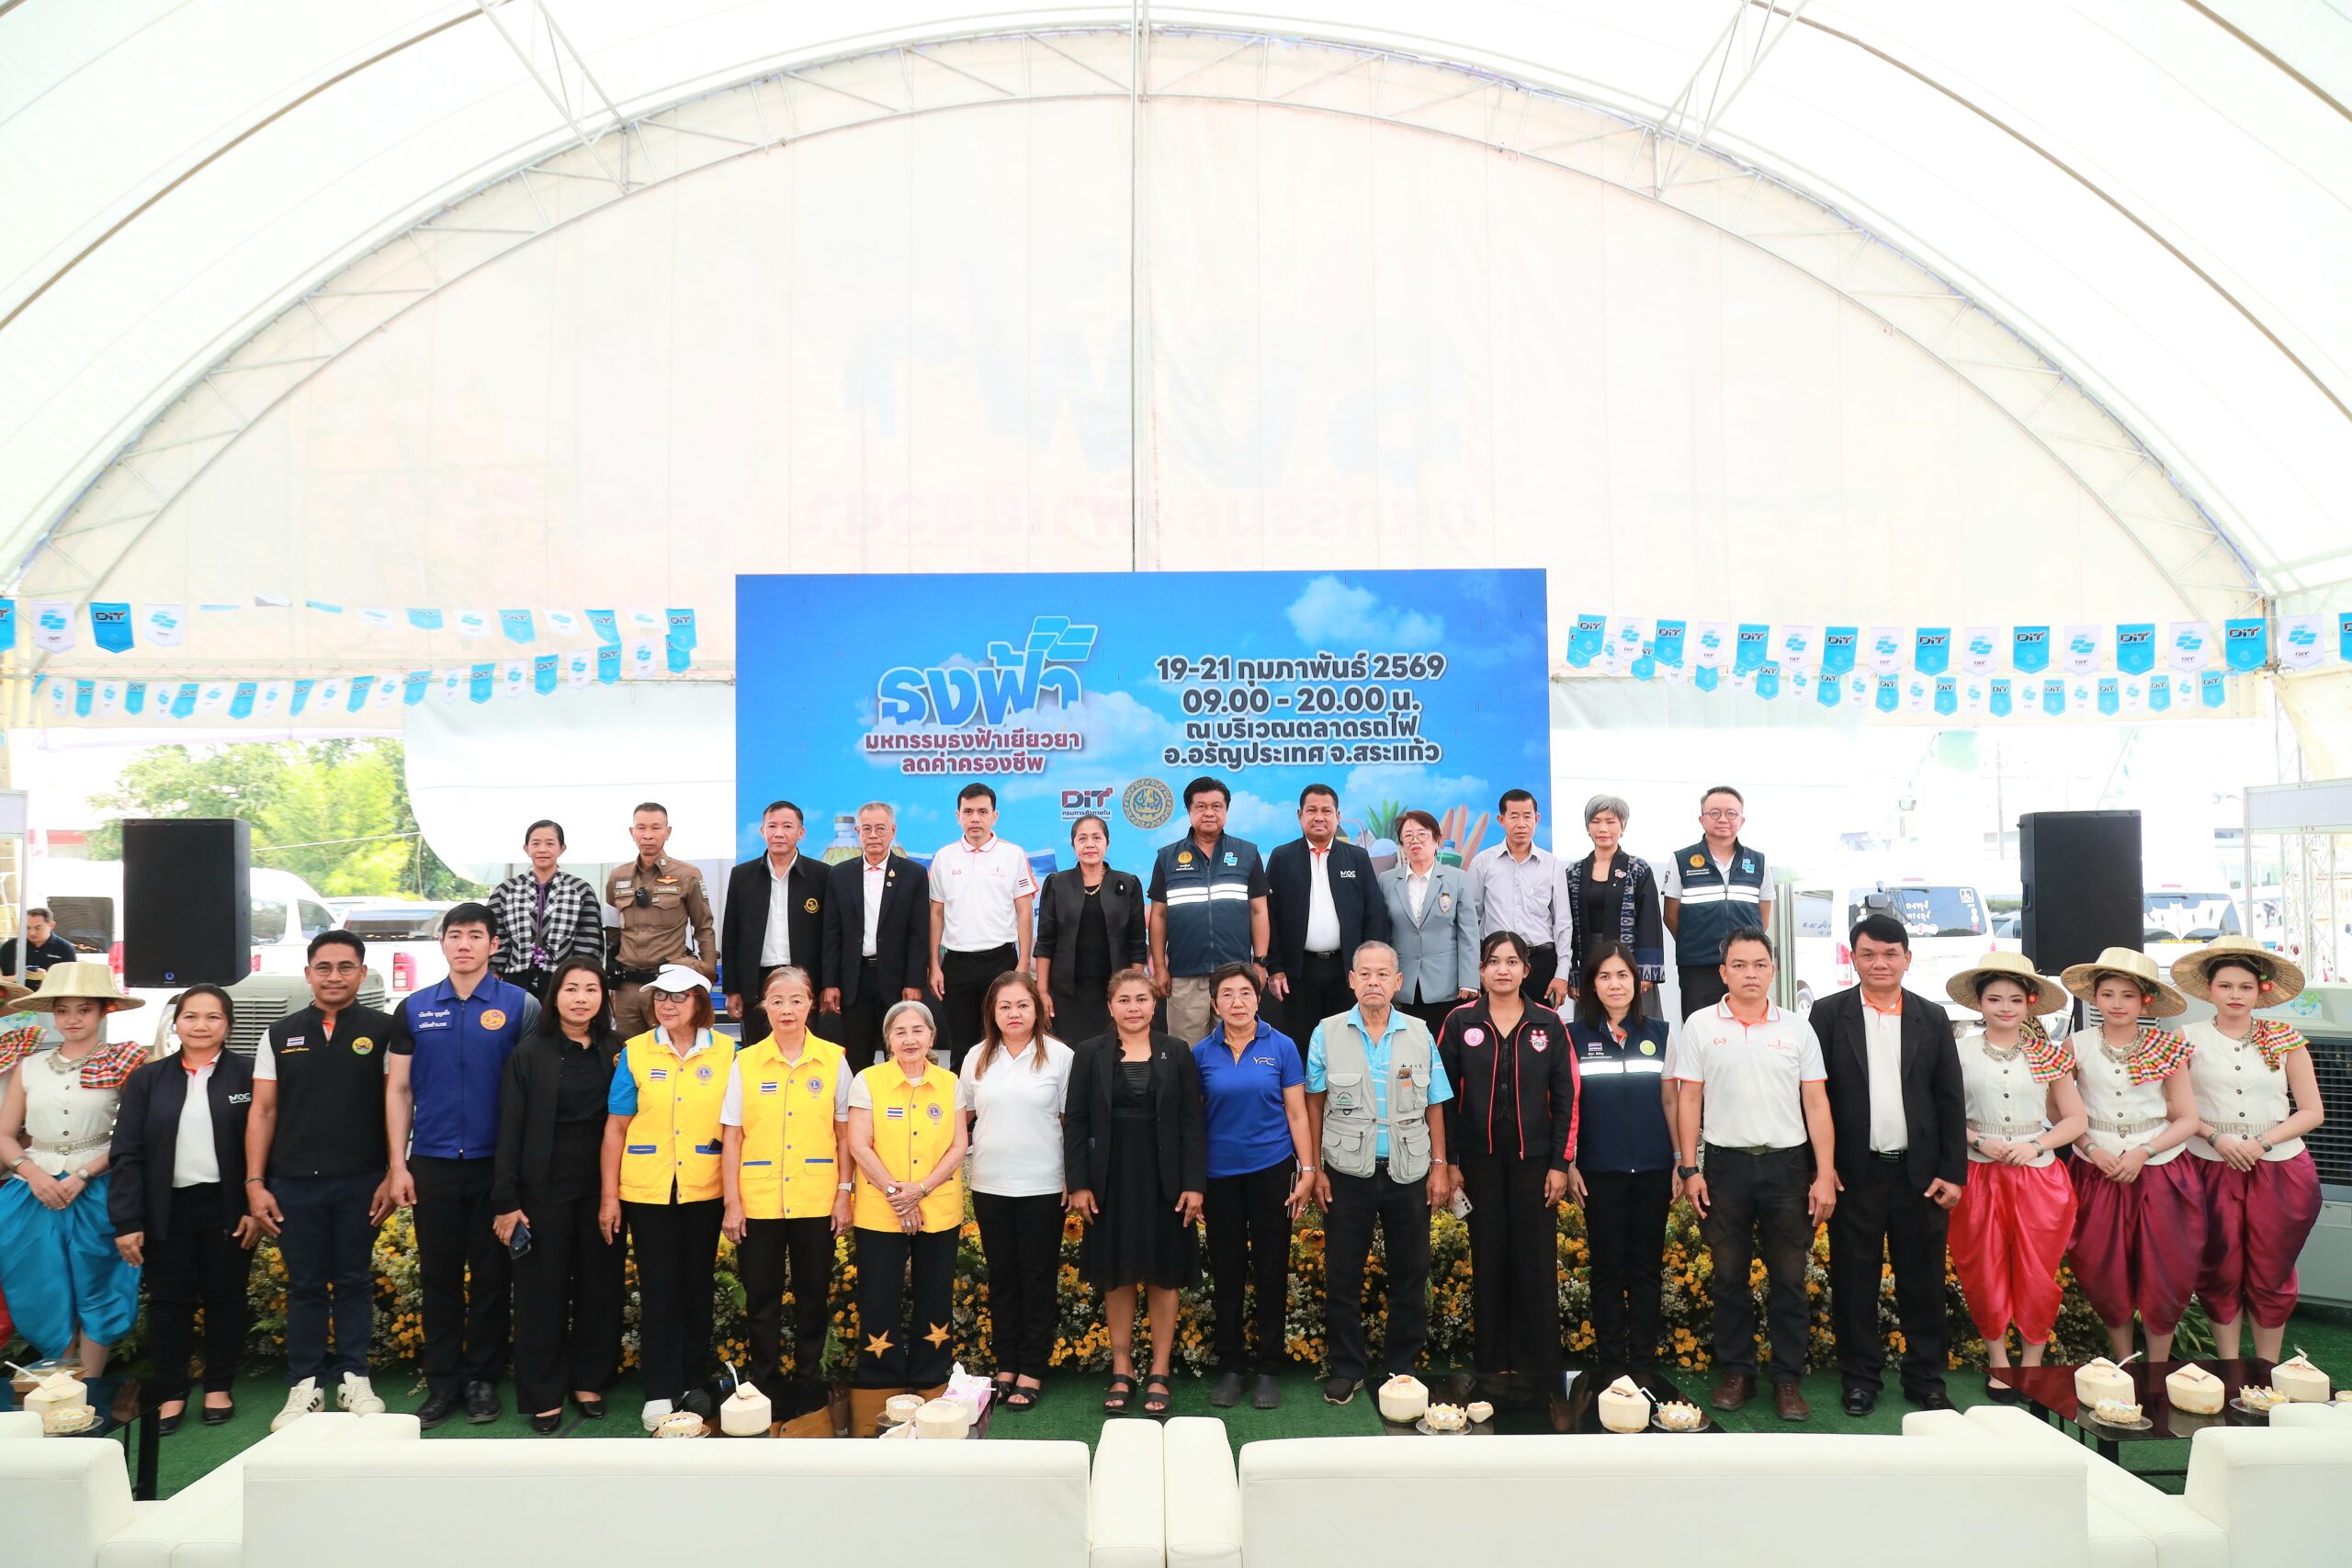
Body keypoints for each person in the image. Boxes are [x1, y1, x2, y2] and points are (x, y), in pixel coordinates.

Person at [1670, 928, 1835, 1422]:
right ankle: (1737, 1372)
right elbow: (1689, 1098)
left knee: (1789, 1279)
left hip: (1788, 1167)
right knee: (1728, 1278)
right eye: (1739, 965)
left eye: (1759, 964)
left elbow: (1816, 1102)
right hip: (1725, 1167)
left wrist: (1824, 1174)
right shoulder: (1700, 1025)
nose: (1750, 974)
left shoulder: (1797, 1028)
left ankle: (1787, 1380)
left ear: (1773, 971)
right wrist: (1689, 1167)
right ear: (1723, 972)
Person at [385, 902, 540, 1427]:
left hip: (495, 1167)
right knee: (439, 1276)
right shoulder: (414, 1008)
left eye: (475, 935)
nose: (464, 944)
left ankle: (482, 1380)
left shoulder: (520, 1006)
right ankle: (442, 1381)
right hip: (431, 1162)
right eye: (455, 935)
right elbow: (399, 1089)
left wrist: (517, 1176)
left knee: (493, 1277)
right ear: (443, 943)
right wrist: (398, 1165)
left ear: (494, 944)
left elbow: (529, 1092)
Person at [1812, 913, 1965, 1416]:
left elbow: (1950, 1099)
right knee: (1854, 1281)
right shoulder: (1828, 1015)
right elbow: (1812, 1097)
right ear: (1853, 959)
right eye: (1869, 954)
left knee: (1923, 1281)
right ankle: (1860, 1379)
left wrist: (1953, 1172)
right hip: (1854, 1175)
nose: (1880, 963)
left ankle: (1926, 1379)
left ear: (1907, 959)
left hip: (1920, 1177)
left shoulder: (1931, 1017)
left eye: (1890, 954)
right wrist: (1821, 1168)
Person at [245, 930, 396, 1429]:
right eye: (324, 967)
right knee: (306, 1285)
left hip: (362, 1180)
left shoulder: (385, 1030)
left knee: (354, 1280)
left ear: (362, 973)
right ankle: (305, 1385)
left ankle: (355, 1379)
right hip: (293, 1182)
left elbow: (398, 1104)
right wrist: (255, 1182)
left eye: (345, 967)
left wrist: (393, 1172)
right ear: (308, 973)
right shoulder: (279, 1033)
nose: (335, 976)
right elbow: (263, 1111)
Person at [1306, 942, 1453, 1405]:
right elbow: (1313, 1104)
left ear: (1398, 981)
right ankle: (1347, 1368)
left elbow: (1435, 1103)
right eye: (1365, 974)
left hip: (1408, 1171)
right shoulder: (1326, 1032)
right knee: (1342, 1275)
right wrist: (1315, 1169)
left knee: (1411, 1273)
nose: (1374, 982)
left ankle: (1401, 1368)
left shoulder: (1420, 1033)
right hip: (1346, 1172)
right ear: (1351, 980)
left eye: (1383, 974)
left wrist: (1440, 1166)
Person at [108, 986, 259, 1433]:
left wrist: (255, 1204)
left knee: (225, 1297)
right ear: (176, 1023)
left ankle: (218, 1386)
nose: (201, 1026)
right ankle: (171, 1391)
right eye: (191, 1016)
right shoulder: (147, 1079)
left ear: (228, 1025)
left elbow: (269, 1144)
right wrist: (127, 1219)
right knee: (168, 1302)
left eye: (213, 1017)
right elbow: (127, 1153)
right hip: (166, 1207)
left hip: (229, 1205)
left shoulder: (250, 1074)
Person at [1432, 932, 1575, 1400]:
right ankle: (1492, 1366)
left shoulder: (1549, 1023)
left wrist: (1560, 1163)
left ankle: (1540, 1370)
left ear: (1526, 970)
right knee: (1489, 1258)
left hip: (1536, 1163)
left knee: (1536, 1262)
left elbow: (1567, 1096)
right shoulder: (1460, 1021)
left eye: (1512, 962)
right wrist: (1451, 1161)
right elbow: (1442, 1097)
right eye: (1493, 961)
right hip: (1479, 1161)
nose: (1503, 970)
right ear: (1481, 970)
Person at [2172, 937, 2327, 1363]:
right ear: (2209, 989)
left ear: (2261, 989)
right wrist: (2215, 1137)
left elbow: (2312, 1111)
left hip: (2280, 1167)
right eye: (2225, 986)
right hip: (2208, 1163)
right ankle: (2229, 1368)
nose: (2235, 995)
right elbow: (2171, 1105)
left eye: (2245, 986)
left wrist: (2262, 1142)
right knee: (2217, 1267)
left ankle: (2267, 1370)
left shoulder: (2285, 1038)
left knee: (2272, 1270)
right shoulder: (2186, 1038)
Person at [492, 957, 626, 1432]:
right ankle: (543, 1393)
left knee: (600, 1288)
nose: (581, 998)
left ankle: (589, 1380)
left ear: (603, 998)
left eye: (591, 989)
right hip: (542, 1191)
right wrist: (507, 1201)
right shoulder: (530, 1052)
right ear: (555, 996)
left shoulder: (618, 1050)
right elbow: (509, 1130)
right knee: (540, 1295)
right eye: (571, 989)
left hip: (603, 1190)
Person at [1941, 952, 2085, 1390]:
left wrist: (2036, 1145)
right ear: (1978, 1003)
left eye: (2015, 1000)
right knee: (1983, 1269)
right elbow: (1940, 1113)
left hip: (2038, 1177)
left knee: (2036, 1271)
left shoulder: (2048, 1054)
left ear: (2030, 1003)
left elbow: (2075, 1120)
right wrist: (1978, 1141)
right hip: (1978, 1173)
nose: (2005, 1007)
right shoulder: (1958, 1052)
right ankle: (1999, 1360)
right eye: (1995, 999)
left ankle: (2033, 1361)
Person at [1066, 967, 1204, 1417]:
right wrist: (1079, 1183)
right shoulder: (1089, 1052)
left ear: (1154, 1004)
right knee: (1117, 1275)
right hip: (1109, 1183)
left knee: (1165, 1275)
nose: (1133, 1008)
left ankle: (1160, 1370)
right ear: (1110, 1006)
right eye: (1124, 1000)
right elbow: (1076, 1121)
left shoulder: (1177, 1051)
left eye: (1141, 999)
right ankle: (1122, 1368)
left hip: (1166, 1184)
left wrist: (1194, 1184)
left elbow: (1191, 1122)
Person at [600, 964, 733, 1430]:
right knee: (659, 1290)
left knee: (697, 1287)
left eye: (678, 997)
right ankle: (659, 1389)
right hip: (647, 1189)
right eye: (660, 996)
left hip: (705, 1187)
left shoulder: (729, 1053)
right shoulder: (635, 1051)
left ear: (700, 1002)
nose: (667, 1005)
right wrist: (609, 1196)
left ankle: (692, 1382)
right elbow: (615, 1128)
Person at [2056, 946, 2201, 1363]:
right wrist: (2089, 1148)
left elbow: (2188, 1118)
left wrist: (2144, 1151)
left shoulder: (2165, 1047)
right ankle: (2124, 1364)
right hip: (2095, 1169)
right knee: (2103, 1268)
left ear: (2145, 1001)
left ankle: (2158, 1368)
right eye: (2107, 994)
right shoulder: (2076, 1046)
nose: (2116, 1004)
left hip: (2161, 1170)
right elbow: (2058, 1111)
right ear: (2094, 998)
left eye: (2128, 995)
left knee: (2166, 1268)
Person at [0, 963, 144, 1375]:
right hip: (33, 1193)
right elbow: (5, 1135)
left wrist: (84, 1175)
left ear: (104, 1011)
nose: (73, 1019)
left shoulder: (123, 1063)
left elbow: (133, 1136)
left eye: (84, 1009)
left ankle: (91, 1390)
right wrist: (33, 1174)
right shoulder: (29, 1066)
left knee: (100, 1281)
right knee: (42, 1285)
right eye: (63, 1010)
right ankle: (59, 1387)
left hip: (97, 1189)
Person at [721, 964, 853, 1396]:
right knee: (762, 1298)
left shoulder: (833, 1060)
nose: (787, 1010)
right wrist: (732, 1203)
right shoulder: (745, 1062)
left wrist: (844, 1193)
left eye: (796, 1000)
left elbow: (844, 1134)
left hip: (816, 1198)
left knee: (813, 1295)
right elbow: (732, 1137)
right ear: (764, 1006)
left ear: (812, 1004)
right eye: (777, 1001)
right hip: (759, 1200)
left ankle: (809, 1380)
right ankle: (766, 1382)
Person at [1191, 962, 1313, 1411]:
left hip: (1271, 1172)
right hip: (1219, 1177)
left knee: (1270, 1269)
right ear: (1214, 1003)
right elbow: (1194, 1121)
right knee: (1227, 1273)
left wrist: (1308, 1169)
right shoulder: (1200, 1053)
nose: (1237, 1002)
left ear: (1258, 999)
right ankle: (1232, 1365)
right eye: (1226, 994)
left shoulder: (1282, 1046)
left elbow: (1297, 1113)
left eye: (1245, 993)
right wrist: (1194, 1182)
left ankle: (1267, 1368)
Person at [958, 972, 1074, 1412]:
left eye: (1022, 1005)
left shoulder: (1060, 1056)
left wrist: (1072, 1176)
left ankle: (1032, 1368)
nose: (1014, 1014)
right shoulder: (976, 1057)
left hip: (1042, 1185)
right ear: (991, 1011)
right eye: (1004, 1006)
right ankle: (1006, 1364)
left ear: (1037, 1009)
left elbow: (1071, 1122)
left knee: (1037, 1277)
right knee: (1003, 1277)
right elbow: (963, 1119)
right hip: (990, 1184)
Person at [845, 1001, 967, 1396]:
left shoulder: (950, 1083)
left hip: (938, 1207)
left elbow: (958, 1146)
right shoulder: (867, 1080)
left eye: (918, 1030)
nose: (909, 1039)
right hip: (881, 1210)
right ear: (888, 1040)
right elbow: (859, 1144)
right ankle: (880, 1383)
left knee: (935, 1296)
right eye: (900, 1032)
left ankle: (931, 1379)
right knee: (879, 1297)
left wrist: (921, 1190)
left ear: (932, 1037)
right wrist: (897, 1195)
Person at [1567, 942, 1679, 1377]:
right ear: (1591, 986)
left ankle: (1644, 1366)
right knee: (1607, 1272)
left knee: (1647, 1272)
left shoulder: (1661, 1034)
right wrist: (1569, 1163)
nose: (1615, 985)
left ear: (1638, 982)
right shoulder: (1573, 1037)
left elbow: (1671, 1101)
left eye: (1623, 975)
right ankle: (1613, 1367)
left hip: (1653, 1170)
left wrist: (1680, 1161)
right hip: (1599, 1172)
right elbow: (1566, 1106)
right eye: (1604, 976)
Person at [1148, 776, 1270, 1044]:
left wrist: (1260, 963)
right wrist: (1159, 967)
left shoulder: (1247, 853)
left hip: (1235, 975)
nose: (1209, 813)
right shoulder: (1167, 857)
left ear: (1226, 810)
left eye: (1217, 806)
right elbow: (1159, 915)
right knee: (1186, 1053)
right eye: (1201, 806)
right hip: (1185, 976)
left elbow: (1259, 912)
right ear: (1189, 811)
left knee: (1237, 1048)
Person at [1266, 784, 1390, 1043]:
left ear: (1338, 816)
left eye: (1326, 811)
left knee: (1346, 1041)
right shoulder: (1281, 857)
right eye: (1312, 810)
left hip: (1347, 970)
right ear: (1300, 815)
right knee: (1301, 1042)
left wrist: (1370, 967)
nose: (1319, 817)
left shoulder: (1357, 857)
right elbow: (1270, 917)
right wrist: (1275, 968)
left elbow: (1375, 914)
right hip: (1298, 971)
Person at [928, 783, 1038, 1071]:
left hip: (1001, 963)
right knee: (962, 1049)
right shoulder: (944, 857)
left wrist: (1023, 963)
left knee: (1003, 1042)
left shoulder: (1013, 854)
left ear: (994, 816)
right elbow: (936, 913)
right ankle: (964, 1101)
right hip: (957, 964)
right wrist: (935, 964)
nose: (975, 818)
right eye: (968, 811)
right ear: (958, 816)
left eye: (982, 811)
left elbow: (1024, 911)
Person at [820, 802, 932, 1071]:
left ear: (893, 831)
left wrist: (914, 981)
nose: (873, 835)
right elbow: (832, 933)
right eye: (867, 829)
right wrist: (830, 983)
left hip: (897, 981)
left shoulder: (913, 875)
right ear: (857, 832)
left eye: (880, 828)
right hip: (854, 980)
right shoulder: (839, 874)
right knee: (857, 1058)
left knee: (900, 1055)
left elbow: (919, 933)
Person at [605, 802, 717, 1040]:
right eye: (641, 828)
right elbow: (612, 930)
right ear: (632, 832)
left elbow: (703, 928)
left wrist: (706, 977)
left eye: (655, 828)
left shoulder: (687, 875)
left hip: (670, 985)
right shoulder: (617, 877)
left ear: (667, 832)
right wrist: (611, 979)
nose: (648, 835)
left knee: (673, 1046)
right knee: (627, 1051)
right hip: (626, 988)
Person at [1034, 814, 1148, 1044]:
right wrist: (1042, 992)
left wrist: (1135, 990)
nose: (1090, 844)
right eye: (1082, 839)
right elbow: (1045, 943)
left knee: (1112, 1053)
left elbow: (1136, 943)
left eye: (1097, 838)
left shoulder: (1128, 884)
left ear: (1107, 843)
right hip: (1067, 993)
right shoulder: (1057, 884)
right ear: (1073, 845)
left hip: (1115, 991)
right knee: (1071, 1055)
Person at [722, 799, 828, 1043]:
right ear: (762, 831)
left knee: (803, 1048)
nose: (779, 833)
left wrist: (828, 985)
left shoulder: (821, 875)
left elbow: (830, 936)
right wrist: (732, 989)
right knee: (757, 1050)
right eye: (772, 826)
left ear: (801, 832)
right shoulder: (742, 875)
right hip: (756, 982)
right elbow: (731, 937)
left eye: (787, 826)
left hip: (804, 979)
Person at [1662, 785, 1771, 1017]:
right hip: (1698, 966)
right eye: (1714, 813)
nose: (1723, 819)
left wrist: (1745, 950)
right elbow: (1670, 916)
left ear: (1741, 820)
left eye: (1731, 813)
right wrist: (1695, 941)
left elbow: (1763, 917)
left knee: (1747, 1023)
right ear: (1702, 819)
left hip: (1745, 965)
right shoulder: (1682, 860)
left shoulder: (1758, 861)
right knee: (1700, 1025)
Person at [1465, 789, 1573, 1006]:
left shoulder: (1552, 865)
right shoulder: (1483, 862)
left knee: (1540, 1026)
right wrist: (1476, 969)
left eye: (1527, 816)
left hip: (1541, 963)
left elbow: (1562, 923)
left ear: (1537, 819)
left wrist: (1562, 973)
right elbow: (1471, 921)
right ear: (1501, 820)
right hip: (1496, 963)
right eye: (1514, 816)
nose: (1521, 824)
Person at [1378, 809, 1478, 1038]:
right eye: (1408, 836)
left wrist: (1469, 981)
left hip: (1447, 984)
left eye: (1422, 834)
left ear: (1436, 840)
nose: (1415, 841)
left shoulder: (1458, 879)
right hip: (1403, 985)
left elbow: (1468, 934)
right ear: (1401, 844)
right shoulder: (1387, 880)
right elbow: (1383, 933)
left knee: (1444, 1047)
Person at [487, 820, 606, 1001]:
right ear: (526, 848)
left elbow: (590, 940)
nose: (542, 849)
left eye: (550, 843)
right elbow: (496, 935)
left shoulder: (580, 889)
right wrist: (494, 970)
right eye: (536, 843)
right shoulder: (506, 890)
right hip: (515, 978)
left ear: (562, 848)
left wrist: (582, 977)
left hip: (564, 978)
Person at [1564, 795, 1665, 999]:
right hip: (1589, 960)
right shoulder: (1574, 872)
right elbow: (1567, 926)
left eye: (1611, 822)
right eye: (1596, 821)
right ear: (1587, 827)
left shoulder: (1638, 869)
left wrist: (1646, 970)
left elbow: (1650, 922)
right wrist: (1572, 972)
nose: (1603, 829)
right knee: (1591, 1017)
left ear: (1623, 827)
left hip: (1629, 961)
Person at [6, 907, 78, 982]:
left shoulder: (65, 949)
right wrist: (17, 977)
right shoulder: (10, 947)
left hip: (51, 989)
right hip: (17, 989)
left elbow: (71, 981)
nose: (32, 933)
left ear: (51, 925)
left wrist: (46, 977)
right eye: (27, 928)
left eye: (38, 928)